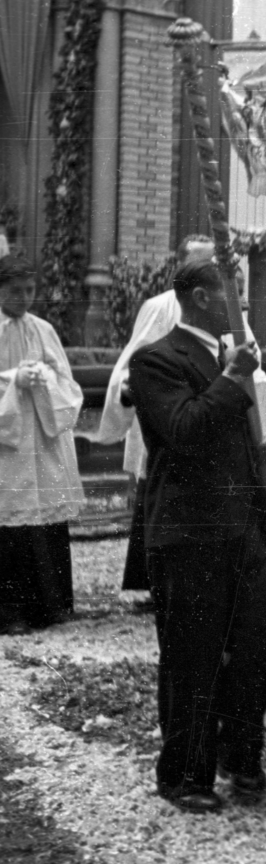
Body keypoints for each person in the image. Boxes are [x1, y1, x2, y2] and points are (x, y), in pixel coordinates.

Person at [128, 260, 266, 812]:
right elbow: (184, 431)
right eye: (231, 292)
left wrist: (250, 453)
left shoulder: (223, 356)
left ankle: (244, 760)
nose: (240, 302)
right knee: (193, 654)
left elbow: (216, 431)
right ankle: (186, 776)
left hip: (243, 527)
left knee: (257, 648)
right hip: (190, 533)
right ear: (198, 297)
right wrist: (234, 378)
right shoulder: (155, 359)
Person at [94, 234, 218, 593]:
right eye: (200, 262)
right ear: (179, 265)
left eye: (212, 263)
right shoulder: (161, 306)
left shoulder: (220, 304)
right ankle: (154, 581)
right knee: (160, 493)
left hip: (205, 416)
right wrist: (129, 391)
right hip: (167, 413)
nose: (207, 269)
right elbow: (133, 360)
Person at [0, 255, 84, 633]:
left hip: (42, 434)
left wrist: (45, 377)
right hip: (7, 443)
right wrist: (14, 382)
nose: (24, 298)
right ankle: (10, 611)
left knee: (45, 518)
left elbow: (67, 384)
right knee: (10, 520)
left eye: (30, 291)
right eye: (15, 291)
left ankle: (50, 604)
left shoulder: (43, 329)